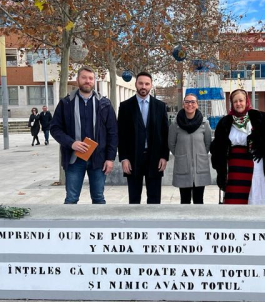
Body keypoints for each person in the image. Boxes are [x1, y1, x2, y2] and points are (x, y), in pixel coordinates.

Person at [50, 66, 118, 204]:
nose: (87, 81)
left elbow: (113, 133)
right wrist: (71, 143)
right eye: (84, 78)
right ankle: (69, 225)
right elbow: (55, 128)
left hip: (98, 160)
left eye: (91, 78)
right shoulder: (66, 103)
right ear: (77, 80)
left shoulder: (104, 104)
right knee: (71, 199)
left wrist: (110, 158)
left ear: (94, 81)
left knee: (98, 198)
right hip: (74, 159)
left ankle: (98, 226)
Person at [210, 89, 265, 205]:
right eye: (235, 101)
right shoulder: (225, 122)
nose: (238, 104)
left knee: (254, 196)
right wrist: (220, 167)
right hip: (233, 166)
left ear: (246, 101)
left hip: (254, 163)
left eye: (241, 100)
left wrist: (263, 149)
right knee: (234, 197)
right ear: (232, 104)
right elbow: (217, 146)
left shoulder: (258, 117)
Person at [117, 71, 169, 204]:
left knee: (154, 198)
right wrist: (123, 158)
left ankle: (154, 224)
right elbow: (121, 135)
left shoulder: (160, 106)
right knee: (134, 199)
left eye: (147, 83)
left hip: (155, 158)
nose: (143, 86)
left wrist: (164, 156)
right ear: (135, 84)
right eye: (141, 83)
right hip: (133, 159)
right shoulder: (125, 106)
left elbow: (165, 133)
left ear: (151, 85)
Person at [168, 93, 212, 204]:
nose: (190, 104)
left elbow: (208, 143)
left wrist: (199, 154)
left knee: (199, 200)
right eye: (187, 102)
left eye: (193, 102)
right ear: (183, 104)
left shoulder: (204, 123)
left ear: (197, 105)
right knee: (184, 201)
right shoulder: (175, 124)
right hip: (183, 167)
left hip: (200, 167)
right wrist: (181, 155)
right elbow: (171, 144)